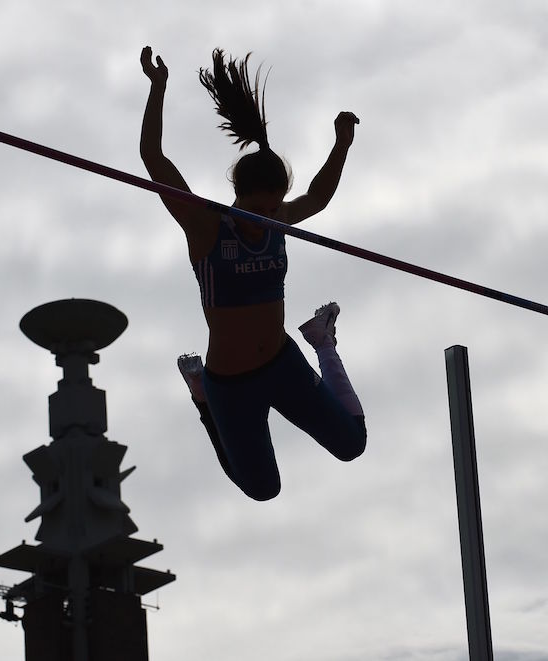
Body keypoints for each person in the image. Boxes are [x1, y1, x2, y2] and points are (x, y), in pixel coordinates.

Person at [139, 45, 366, 501]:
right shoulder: (206, 227)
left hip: (281, 363)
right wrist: (157, 89)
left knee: (352, 444)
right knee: (262, 489)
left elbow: (317, 197)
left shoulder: (275, 219)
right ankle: (202, 398)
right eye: (253, 207)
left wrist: (341, 145)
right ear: (235, 194)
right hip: (231, 382)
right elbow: (153, 158)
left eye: (270, 207)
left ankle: (322, 342)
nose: (262, 216)